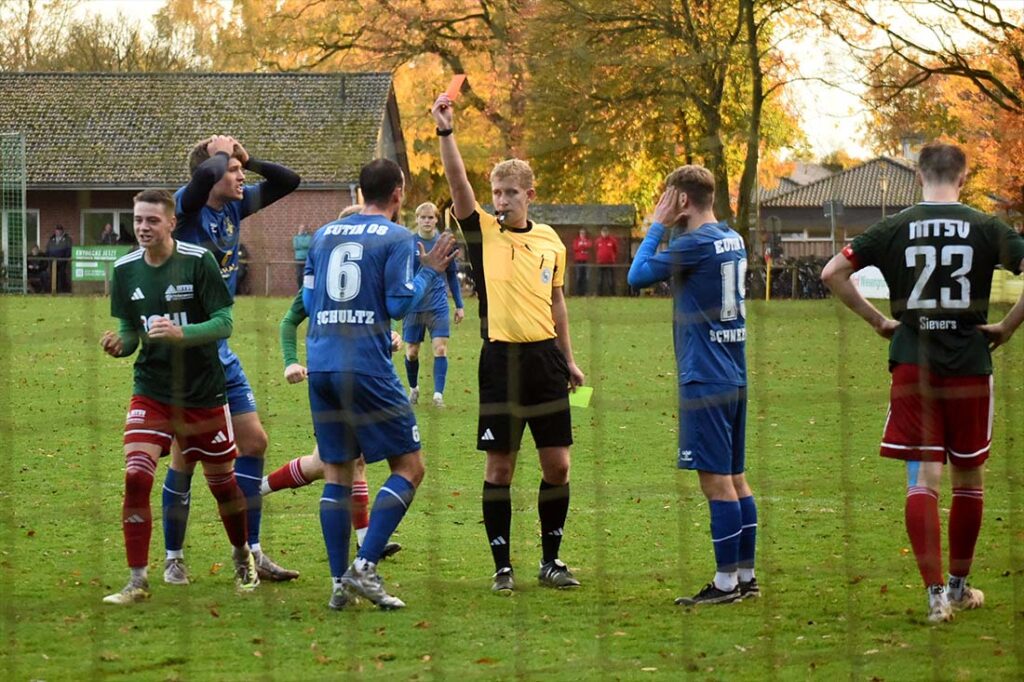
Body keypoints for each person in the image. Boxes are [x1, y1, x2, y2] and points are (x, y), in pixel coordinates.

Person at [821, 141, 1024, 623]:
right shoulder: (987, 226)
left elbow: (833, 271)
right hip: (970, 361)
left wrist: (878, 321)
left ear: (917, 176)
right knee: (969, 477)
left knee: (925, 479)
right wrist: (1008, 326)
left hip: (914, 362)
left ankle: (934, 597)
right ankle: (958, 586)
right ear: (965, 176)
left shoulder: (895, 226)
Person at [432, 93, 585, 594]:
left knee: (557, 465)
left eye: (509, 193)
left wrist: (570, 359)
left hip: (545, 360)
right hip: (499, 360)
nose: (500, 200)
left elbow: (557, 302)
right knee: (499, 467)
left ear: (529, 195)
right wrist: (446, 133)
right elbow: (458, 188)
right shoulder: (483, 234)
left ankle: (552, 560)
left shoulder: (551, 243)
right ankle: (502, 567)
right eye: (496, 192)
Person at [303, 158, 457, 610]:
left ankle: (338, 584)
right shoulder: (399, 237)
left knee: (337, 475)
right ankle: (365, 567)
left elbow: (311, 301)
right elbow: (397, 303)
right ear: (399, 193)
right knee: (410, 468)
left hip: (323, 363)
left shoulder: (323, 234)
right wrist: (428, 270)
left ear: (359, 193)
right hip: (366, 367)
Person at [100, 189, 258, 605]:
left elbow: (224, 323)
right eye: (137, 220)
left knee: (223, 487)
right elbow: (132, 332)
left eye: (152, 220)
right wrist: (122, 343)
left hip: (203, 392)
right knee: (136, 475)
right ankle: (138, 580)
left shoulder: (198, 261)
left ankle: (242, 553)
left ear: (172, 222)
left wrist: (182, 333)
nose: (142, 227)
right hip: (151, 390)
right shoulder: (124, 270)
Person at [165, 134, 301, 585]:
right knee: (186, 456)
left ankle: (252, 552)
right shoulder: (186, 207)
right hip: (185, 352)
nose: (241, 176)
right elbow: (203, 175)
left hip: (220, 348)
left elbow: (288, 180)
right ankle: (173, 557)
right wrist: (215, 154)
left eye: (241, 171)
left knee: (255, 442)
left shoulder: (234, 206)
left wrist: (245, 156)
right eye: (233, 171)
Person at [627, 165, 758, 606]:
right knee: (737, 479)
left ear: (681, 200)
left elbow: (637, 275)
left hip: (704, 377)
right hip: (735, 373)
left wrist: (656, 225)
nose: (662, 205)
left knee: (716, 483)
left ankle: (725, 586)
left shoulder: (694, 244)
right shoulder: (731, 237)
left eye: (667, 197)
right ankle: (746, 576)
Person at [265, 285, 403, 562]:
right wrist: (290, 361)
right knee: (335, 464)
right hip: (331, 379)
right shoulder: (319, 283)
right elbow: (289, 320)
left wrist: (388, 337)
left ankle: (365, 542)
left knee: (342, 461)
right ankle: (254, 490)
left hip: (363, 377)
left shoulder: (367, 277)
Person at [403, 201, 465, 407]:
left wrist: (459, 304)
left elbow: (452, 276)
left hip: (438, 305)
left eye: (431, 217)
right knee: (411, 352)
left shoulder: (444, 244)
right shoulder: (408, 243)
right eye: (423, 217)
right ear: (417, 220)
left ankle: (438, 396)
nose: (427, 221)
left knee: (440, 349)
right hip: (413, 305)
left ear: (436, 219)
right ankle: (414, 389)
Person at [46, 224, 72, 293]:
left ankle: (63, 290)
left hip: (62, 261)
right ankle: (53, 290)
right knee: (53, 275)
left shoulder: (67, 239)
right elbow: (48, 249)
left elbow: (69, 250)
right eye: (57, 230)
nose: (58, 232)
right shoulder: (52, 239)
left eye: (59, 230)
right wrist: (49, 258)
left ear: (62, 231)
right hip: (52, 261)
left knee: (62, 275)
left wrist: (64, 259)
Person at [595, 226, 619, 296]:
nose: (604, 233)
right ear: (601, 233)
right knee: (600, 279)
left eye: (605, 232)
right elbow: (596, 249)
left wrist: (612, 258)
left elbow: (615, 250)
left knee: (610, 279)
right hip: (600, 263)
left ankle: (612, 294)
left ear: (608, 232)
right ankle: (599, 294)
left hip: (610, 263)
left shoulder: (612, 241)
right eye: (603, 232)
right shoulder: (598, 241)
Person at [572, 228, 592, 296]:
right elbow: (575, 248)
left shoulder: (587, 240)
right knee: (579, 277)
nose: (582, 235)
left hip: (585, 261)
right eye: (581, 233)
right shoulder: (576, 240)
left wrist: (582, 246)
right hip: (578, 261)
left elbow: (589, 246)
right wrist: (582, 247)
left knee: (585, 277)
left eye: (583, 233)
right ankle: (578, 293)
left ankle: (585, 292)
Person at [293, 224, 312, 288]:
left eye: (303, 228)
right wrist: (304, 245)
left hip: (306, 258)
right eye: (301, 228)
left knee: (307, 275)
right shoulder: (296, 237)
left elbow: (309, 244)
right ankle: (299, 288)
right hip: (298, 258)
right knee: (299, 275)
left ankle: (305, 288)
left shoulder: (309, 237)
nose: (302, 230)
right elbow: (296, 246)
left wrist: (301, 244)